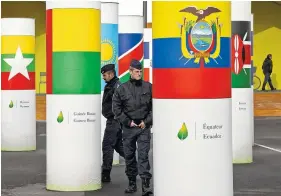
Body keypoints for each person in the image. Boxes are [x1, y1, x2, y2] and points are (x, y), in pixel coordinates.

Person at [112, 59, 153, 195]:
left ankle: (146, 186)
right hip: (129, 128)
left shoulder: (148, 87)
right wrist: (128, 122)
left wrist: (146, 122)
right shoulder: (122, 89)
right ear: (130, 71)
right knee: (129, 156)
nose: (139, 74)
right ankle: (132, 183)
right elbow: (116, 109)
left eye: (141, 71)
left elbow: (155, 108)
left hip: (143, 127)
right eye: (136, 71)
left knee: (143, 156)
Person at [101, 63, 124, 183]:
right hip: (115, 121)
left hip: (114, 122)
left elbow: (119, 105)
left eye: (104, 75)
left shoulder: (116, 86)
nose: (103, 77)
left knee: (107, 146)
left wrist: (116, 117)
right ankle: (136, 164)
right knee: (119, 147)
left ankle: (105, 174)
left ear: (111, 74)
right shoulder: (113, 85)